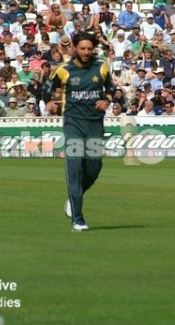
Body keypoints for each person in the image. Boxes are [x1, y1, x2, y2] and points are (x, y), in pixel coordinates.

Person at [47, 32, 115, 232]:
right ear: (74, 48)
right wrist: (51, 101)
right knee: (75, 167)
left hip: (95, 124)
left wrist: (107, 100)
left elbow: (110, 88)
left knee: (93, 170)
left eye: (89, 48)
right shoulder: (63, 70)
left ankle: (73, 198)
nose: (86, 52)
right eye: (82, 48)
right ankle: (78, 219)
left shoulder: (101, 67)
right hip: (73, 124)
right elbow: (48, 88)